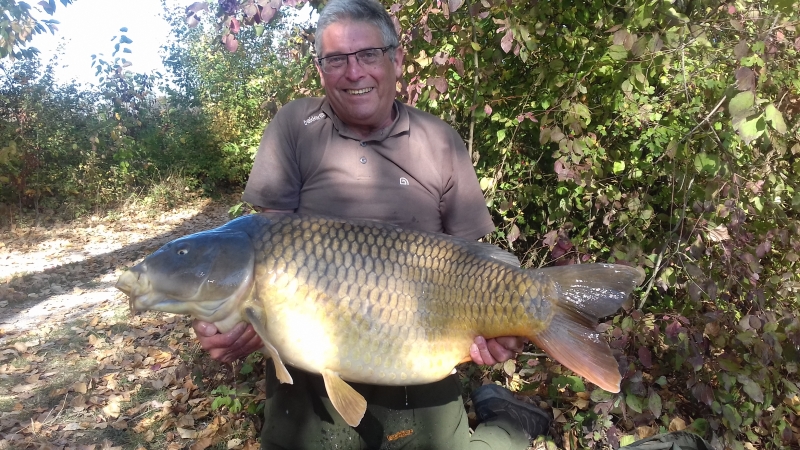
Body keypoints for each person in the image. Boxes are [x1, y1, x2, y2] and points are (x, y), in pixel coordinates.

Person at [192, 0, 551, 448]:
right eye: (335, 59)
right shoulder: (294, 127)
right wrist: (237, 324)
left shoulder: (440, 142)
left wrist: (504, 327)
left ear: (396, 59)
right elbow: (266, 256)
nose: (353, 72)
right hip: (311, 368)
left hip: (419, 355)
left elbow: (475, 269)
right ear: (320, 69)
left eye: (368, 55)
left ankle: (507, 423)